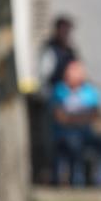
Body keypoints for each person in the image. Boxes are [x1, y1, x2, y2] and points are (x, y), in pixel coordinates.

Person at [51, 61, 101, 187]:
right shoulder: (59, 91)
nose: (71, 75)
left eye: (75, 72)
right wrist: (82, 117)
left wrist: (73, 117)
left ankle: (100, 180)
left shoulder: (90, 91)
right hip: (66, 134)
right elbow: (60, 117)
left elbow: (95, 114)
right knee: (74, 143)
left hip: (88, 133)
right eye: (70, 72)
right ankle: (77, 183)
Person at [33, 15, 78, 184]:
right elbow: (44, 78)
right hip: (54, 101)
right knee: (52, 142)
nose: (67, 33)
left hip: (70, 103)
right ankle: (53, 177)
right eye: (64, 29)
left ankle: (73, 179)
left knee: (74, 141)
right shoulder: (50, 50)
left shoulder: (71, 51)